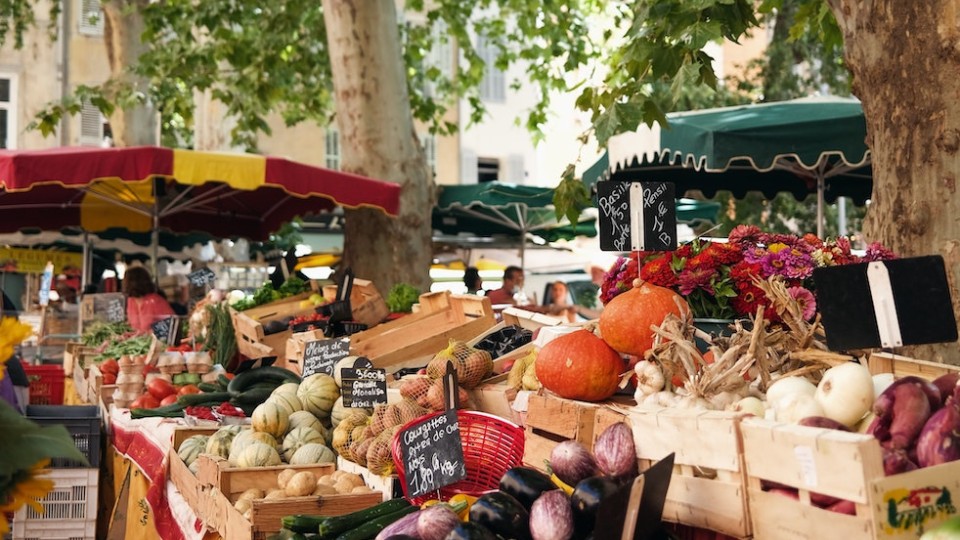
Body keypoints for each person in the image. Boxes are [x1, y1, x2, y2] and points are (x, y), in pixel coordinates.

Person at [123, 266, 176, 333]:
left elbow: (172, 323)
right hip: (138, 341)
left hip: (157, 342)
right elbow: (131, 325)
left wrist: (151, 332)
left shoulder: (155, 301)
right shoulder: (131, 301)